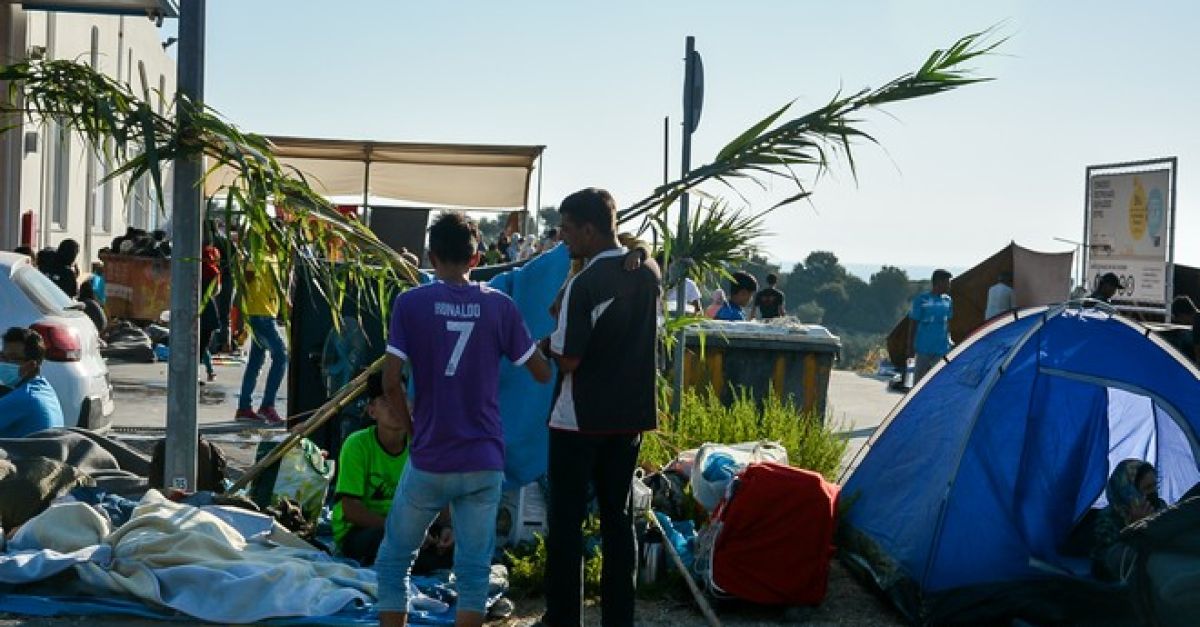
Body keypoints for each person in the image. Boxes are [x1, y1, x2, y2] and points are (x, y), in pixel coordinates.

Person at [376, 212, 551, 627]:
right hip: (483, 459)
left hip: (430, 456)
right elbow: (541, 372)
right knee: (473, 572)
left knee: (394, 560)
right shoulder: (500, 307)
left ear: (430, 257)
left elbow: (389, 380)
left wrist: (413, 430)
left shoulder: (410, 303)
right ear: (476, 259)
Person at [541, 188, 661, 627]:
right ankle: (619, 618)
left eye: (568, 229)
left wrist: (545, 346)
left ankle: (563, 617)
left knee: (567, 525)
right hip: (628, 417)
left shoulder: (585, 283)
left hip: (579, 420)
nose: (563, 238)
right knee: (618, 521)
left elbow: (569, 357)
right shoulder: (646, 270)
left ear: (589, 229)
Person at [334, 370, 453, 572]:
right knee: (390, 545)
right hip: (365, 530)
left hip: (413, 528)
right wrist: (401, 529)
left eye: (402, 397)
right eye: (387, 400)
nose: (397, 406)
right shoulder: (357, 445)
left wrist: (447, 528)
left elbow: (440, 498)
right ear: (372, 411)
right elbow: (351, 510)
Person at [235, 248, 288, 425]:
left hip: (265, 313)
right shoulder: (257, 256)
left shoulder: (274, 256)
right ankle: (267, 405)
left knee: (255, 362)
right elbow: (244, 283)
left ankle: (244, 406)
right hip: (260, 315)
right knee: (281, 356)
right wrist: (240, 317)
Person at [1092, 459, 1167, 581]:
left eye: (1155, 485)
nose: (1153, 492)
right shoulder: (1108, 518)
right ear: (1129, 491)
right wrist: (1135, 526)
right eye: (1147, 488)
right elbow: (1110, 562)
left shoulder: (1159, 506)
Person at [0, 327, 65, 437]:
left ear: (31, 365)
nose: (3, 363)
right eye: (2, 356)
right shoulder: (43, 387)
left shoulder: (23, 398)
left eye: (12, 358)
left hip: (30, 454)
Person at [908, 269, 953, 382]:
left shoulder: (948, 300)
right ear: (938, 282)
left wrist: (949, 339)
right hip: (923, 348)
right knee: (919, 382)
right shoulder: (922, 300)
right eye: (947, 282)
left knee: (938, 380)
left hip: (941, 349)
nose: (949, 285)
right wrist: (910, 347)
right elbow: (913, 323)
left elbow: (947, 322)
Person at [200, 242, 221, 383]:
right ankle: (209, 370)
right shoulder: (214, 271)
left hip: (193, 308)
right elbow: (217, 291)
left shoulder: (195, 267)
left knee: (197, 344)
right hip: (208, 309)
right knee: (204, 343)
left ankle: (208, 371)